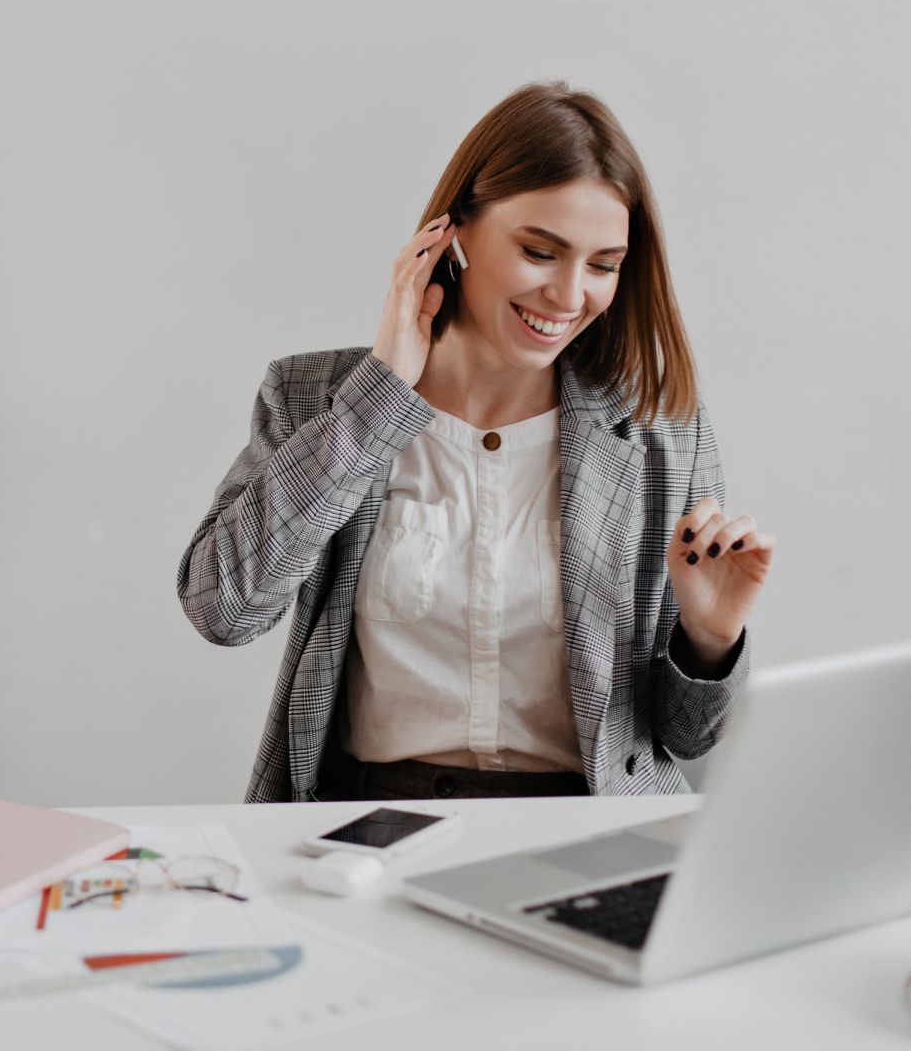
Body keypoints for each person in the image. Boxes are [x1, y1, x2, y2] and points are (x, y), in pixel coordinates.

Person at [177, 81, 776, 804]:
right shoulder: (314, 397)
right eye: (539, 251)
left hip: (581, 827)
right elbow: (222, 609)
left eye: (603, 265)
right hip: (370, 822)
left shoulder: (659, 428)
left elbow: (687, 740)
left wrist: (708, 641)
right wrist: (380, 397)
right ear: (453, 235)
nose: (568, 295)